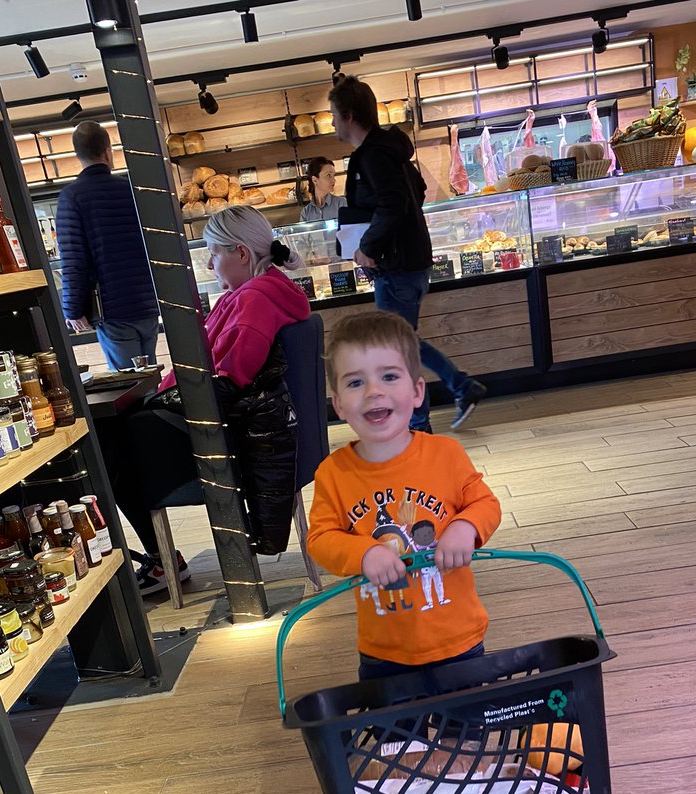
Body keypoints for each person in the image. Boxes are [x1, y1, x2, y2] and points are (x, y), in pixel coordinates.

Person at [307, 309, 501, 794]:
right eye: (356, 381)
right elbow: (321, 538)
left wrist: (466, 528)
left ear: (417, 391)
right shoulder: (334, 474)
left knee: (464, 745)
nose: (374, 392)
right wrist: (362, 553)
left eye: (388, 376)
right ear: (337, 402)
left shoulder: (445, 455)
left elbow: (484, 502)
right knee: (396, 763)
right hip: (385, 653)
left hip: (458, 639)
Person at [118, 205, 310, 595]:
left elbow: (228, 378)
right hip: (248, 427)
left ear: (241, 252)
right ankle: (161, 560)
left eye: (213, 253)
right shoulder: (267, 292)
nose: (208, 264)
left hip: (226, 437)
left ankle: (160, 560)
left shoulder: (253, 300)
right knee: (119, 438)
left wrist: (157, 399)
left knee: (113, 448)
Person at [328, 76, 486, 433]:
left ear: (349, 115)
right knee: (403, 342)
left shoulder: (373, 155)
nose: (333, 122)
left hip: (396, 267)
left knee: (397, 347)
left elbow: (394, 202)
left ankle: (422, 423)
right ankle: (455, 393)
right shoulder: (389, 151)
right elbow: (417, 190)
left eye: (334, 115)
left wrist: (369, 246)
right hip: (408, 263)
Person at [56, 120, 159, 372]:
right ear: (107, 151)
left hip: (113, 309)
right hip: (147, 302)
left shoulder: (72, 197)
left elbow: (73, 260)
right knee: (151, 375)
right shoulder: (132, 190)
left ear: (77, 155)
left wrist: (72, 309)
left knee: (129, 381)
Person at [299, 157, 347, 223]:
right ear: (315, 180)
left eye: (333, 175)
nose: (334, 180)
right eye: (328, 175)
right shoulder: (305, 213)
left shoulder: (342, 204)